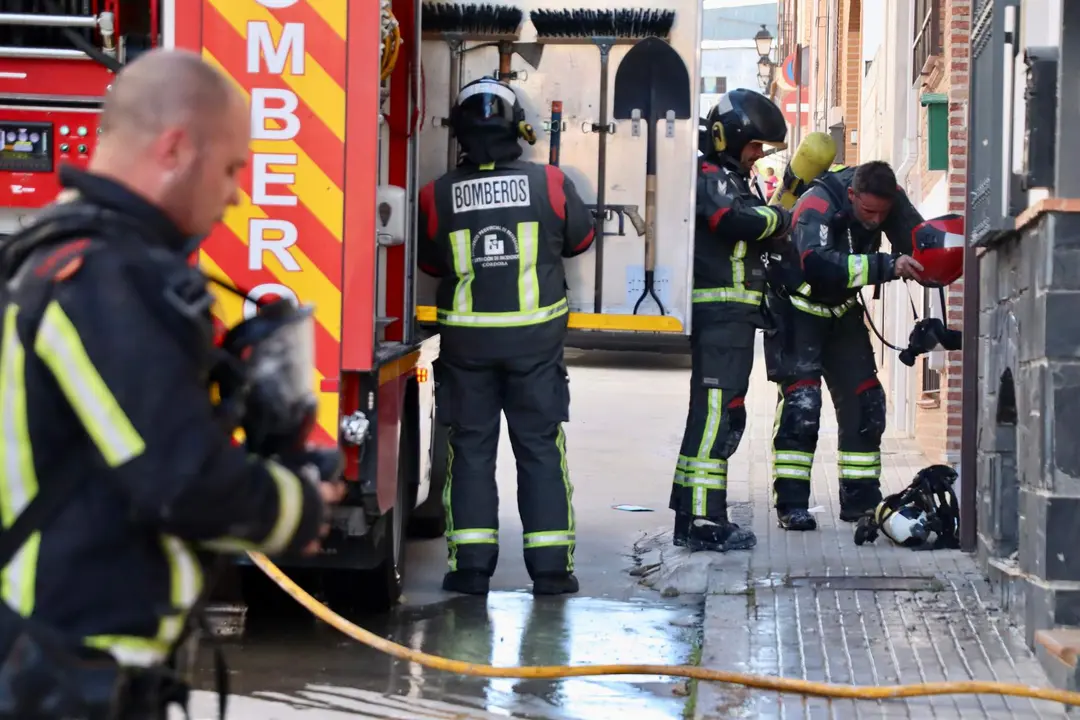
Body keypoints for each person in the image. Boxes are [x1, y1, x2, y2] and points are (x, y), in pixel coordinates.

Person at [0, 49, 344, 718]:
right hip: (62, 681)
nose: (238, 192)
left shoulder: (66, 258)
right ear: (175, 149)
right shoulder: (104, 278)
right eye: (230, 168)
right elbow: (182, 479)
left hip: (73, 672)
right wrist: (299, 504)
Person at [417, 77, 594, 596]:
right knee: (539, 449)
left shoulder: (436, 194)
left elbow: (429, 262)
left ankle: (470, 570)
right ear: (516, 126)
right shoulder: (553, 185)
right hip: (535, 349)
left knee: (469, 451)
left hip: (468, 350)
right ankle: (551, 572)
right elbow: (580, 239)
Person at [764, 161, 925, 531]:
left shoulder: (889, 202)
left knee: (866, 402)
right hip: (797, 311)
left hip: (842, 312)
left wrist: (935, 257)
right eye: (868, 211)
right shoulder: (817, 204)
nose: (874, 221)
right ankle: (791, 504)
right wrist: (885, 265)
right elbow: (815, 265)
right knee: (802, 406)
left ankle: (861, 502)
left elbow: (916, 239)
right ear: (851, 195)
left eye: (882, 214)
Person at [671, 89, 791, 552]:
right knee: (715, 416)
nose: (758, 155)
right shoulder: (712, 178)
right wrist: (778, 218)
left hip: (734, 317)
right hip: (721, 316)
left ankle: (690, 510)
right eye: (754, 146)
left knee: (713, 415)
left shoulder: (729, 177)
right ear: (732, 137)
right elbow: (731, 220)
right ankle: (704, 519)